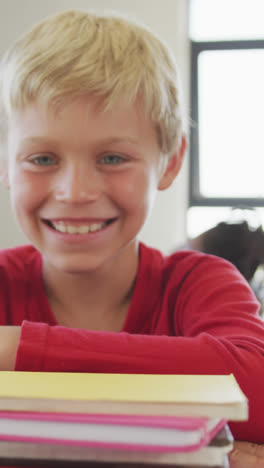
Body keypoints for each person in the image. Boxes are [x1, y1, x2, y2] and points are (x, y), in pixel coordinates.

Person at [0, 9, 263, 467]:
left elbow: (256, 384)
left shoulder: (199, 282)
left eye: (113, 157)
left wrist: (15, 350)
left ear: (171, 160)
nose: (75, 192)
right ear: (5, 163)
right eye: (42, 159)